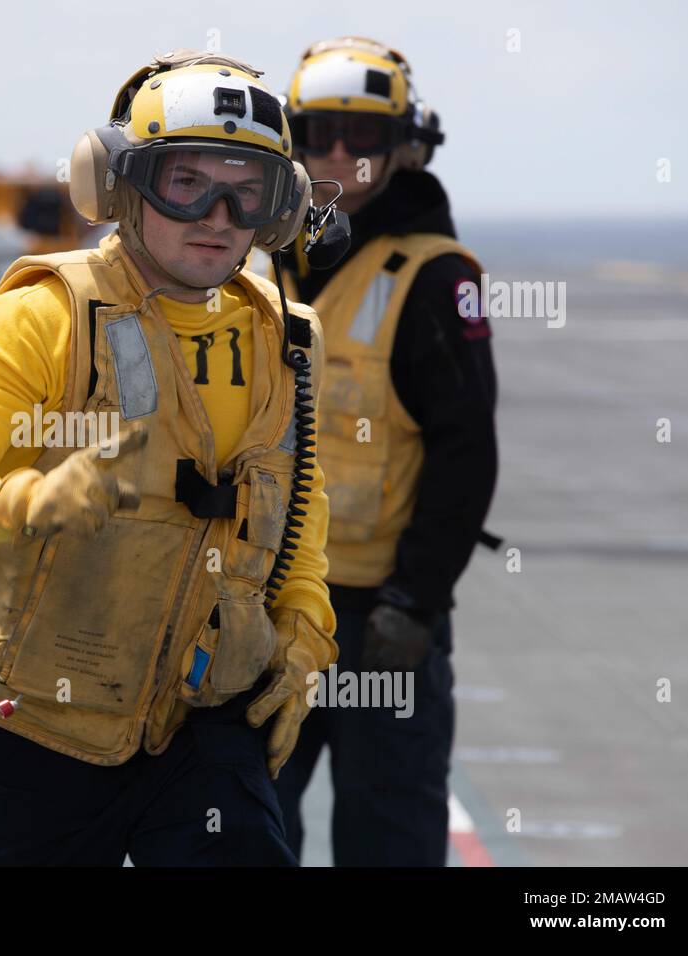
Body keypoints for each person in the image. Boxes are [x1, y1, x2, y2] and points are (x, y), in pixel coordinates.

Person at [0, 49, 340, 866]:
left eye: (247, 189)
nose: (219, 214)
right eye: (187, 182)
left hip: (208, 730)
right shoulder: (38, 322)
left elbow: (297, 509)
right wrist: (18, 503)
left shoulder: (285, 340)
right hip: (46, 726)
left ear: (280, 206)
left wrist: (304, 638)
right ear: (121, 184)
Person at [265, 37, 499, 866]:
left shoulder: (438, 280)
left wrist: (415, 598)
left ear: (405, 145)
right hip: (260, 619)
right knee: (239, 831)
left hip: (380, 623)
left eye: (361, 136)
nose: (337, 153)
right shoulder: (253, 264)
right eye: (320, 130)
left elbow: (467, 450)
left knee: (389, 838)